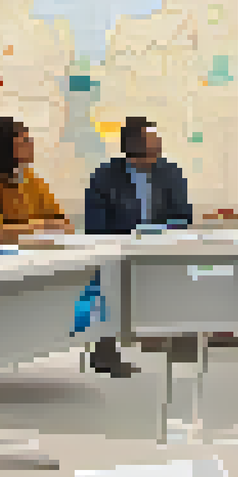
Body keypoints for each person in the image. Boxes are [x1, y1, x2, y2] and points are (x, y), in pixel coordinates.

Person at [80, 117, 191, 377]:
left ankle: (179, 345)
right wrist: (127, 239)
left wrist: (158, 233)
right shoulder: (105, 176)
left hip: (160, 248)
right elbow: (95, 225)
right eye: (153, 141)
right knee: (105, 282)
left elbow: (184, 216)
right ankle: (105, 352)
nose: (159, 145)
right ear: (134, 147)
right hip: (118, 250)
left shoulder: (170, 172)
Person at [0, 117, 74, 243]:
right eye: (24, 140)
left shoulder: (31, 180)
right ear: (3, 146)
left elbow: (66, 226)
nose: (31, 144)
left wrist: (30, 229)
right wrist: (42, 227)